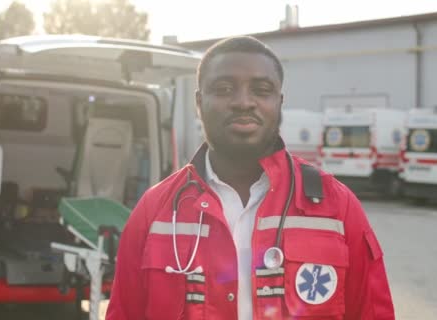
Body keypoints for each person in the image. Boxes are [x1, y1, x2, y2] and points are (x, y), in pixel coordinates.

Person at [106, 36, 394, 319]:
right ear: (199, 102)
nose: (243, 102)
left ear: (279, 102)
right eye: (224, 88)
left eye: (261, 89)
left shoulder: (337, 207)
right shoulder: (154, 210)